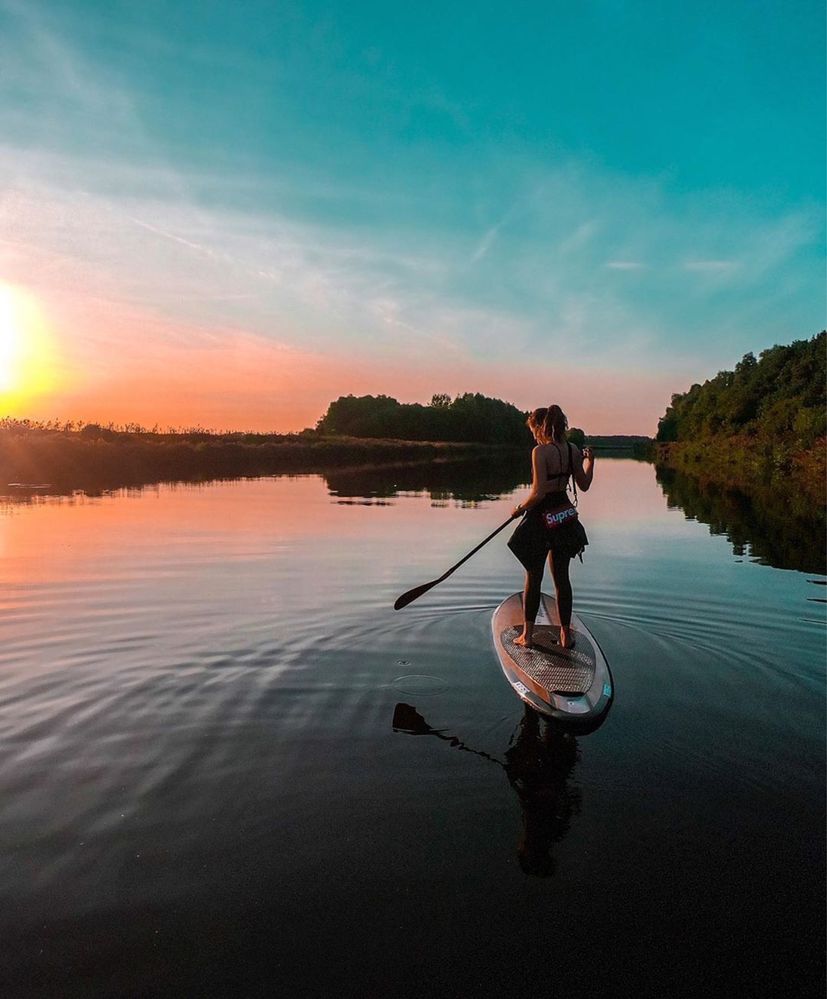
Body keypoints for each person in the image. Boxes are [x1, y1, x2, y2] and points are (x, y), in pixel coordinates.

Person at [507, 405, 594, 650]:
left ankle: (527, 636)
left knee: (534, 576)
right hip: (564, 517)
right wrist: (591, 463)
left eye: (534, 430)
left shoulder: (540, 452)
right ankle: (566, 636)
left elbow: (538, 492)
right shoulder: (573, 450)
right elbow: (584, 484)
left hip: (542, 517)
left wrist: (520, 509)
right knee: (562, 578)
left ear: (540, 427)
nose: (533, 435)